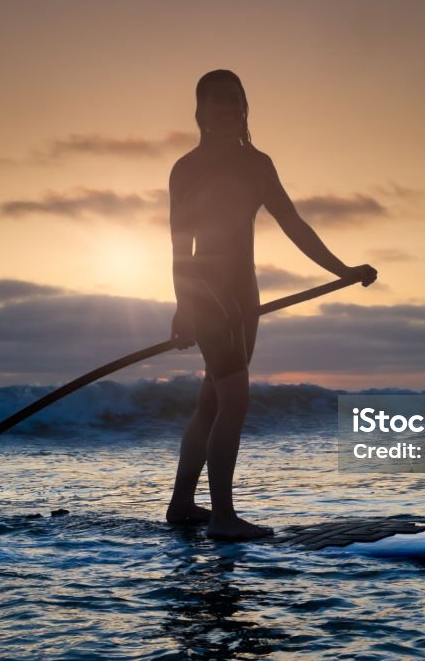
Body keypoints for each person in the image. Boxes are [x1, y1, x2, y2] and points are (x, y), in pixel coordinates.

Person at [166, 69, 377, 540]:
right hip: (206, 289)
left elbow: (294, 223)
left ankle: (182, 504)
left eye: (235, 101)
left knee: (212, 400)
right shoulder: (187, 168)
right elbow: (180, 245)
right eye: (216, 101)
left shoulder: (258, 164)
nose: (227, 109)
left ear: (244, 109)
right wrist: (184, 307)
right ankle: (222, 517)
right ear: (200, 110)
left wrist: (341, 271)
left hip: (246, 290)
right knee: (234, 399)